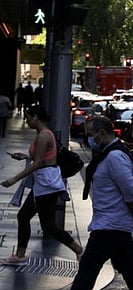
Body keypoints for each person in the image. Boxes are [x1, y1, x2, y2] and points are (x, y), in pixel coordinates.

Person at [30, 116, 133, 290]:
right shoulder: (107, 154)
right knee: (129, 268)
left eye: (91, 134)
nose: (90, 138)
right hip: (113, 222)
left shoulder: (114, 157)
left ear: (103, 133)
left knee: (87, 271)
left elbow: (132, 192)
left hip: (111, 224)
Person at [1, 105, 84, 265]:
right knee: (24, 216)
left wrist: (14, 179)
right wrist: (26, 156)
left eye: (28, 117)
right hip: (44, 184)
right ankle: (19, 256)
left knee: (49, 226)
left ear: (36, 117)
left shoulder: (44, 136)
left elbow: (39, 163)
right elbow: (43, 159)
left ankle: (78, 250)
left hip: (46, 185)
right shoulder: (45, 134)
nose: (27, 120)